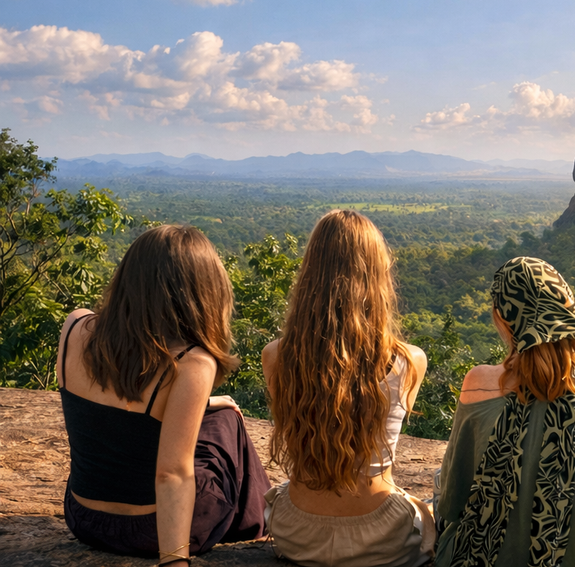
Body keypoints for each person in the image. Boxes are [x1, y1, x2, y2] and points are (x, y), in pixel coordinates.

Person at [57, 225, 271, 566]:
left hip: (83, 517)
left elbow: (110, 412)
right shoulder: (192, 362)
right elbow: (172, 473)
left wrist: (206, 404)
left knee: (219, 410)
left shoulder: (75, 326)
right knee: (227, 422)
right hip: (148, 531)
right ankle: (257, 523)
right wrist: (174, 560)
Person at [262, 209, 432, 567]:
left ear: (310, 273)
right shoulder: (409, 361)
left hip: (297, 532)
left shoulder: (276, 356)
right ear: (377, 276)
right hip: (382, 536)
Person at [435, 256, 575, 567]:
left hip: (476, 558)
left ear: (503, 318)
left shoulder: (477, 383)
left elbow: (451, 502)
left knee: (438, 478)